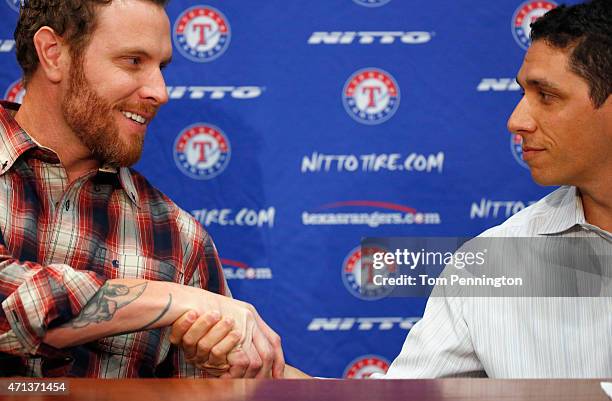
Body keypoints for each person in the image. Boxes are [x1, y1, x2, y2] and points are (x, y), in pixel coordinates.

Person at [181, 0, 612, 378]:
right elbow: (405, 397)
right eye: (524, 93)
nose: (517, 120)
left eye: (548, 96)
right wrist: (263, 377)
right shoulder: (490, 262)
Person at [0, 0, 284, 378]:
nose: (160, 91)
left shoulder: (181, 242)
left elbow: (221, 384)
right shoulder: (181, 286)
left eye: (161, 67)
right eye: (133, 61)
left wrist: (225, 373)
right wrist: (172, 298)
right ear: (54, 54)